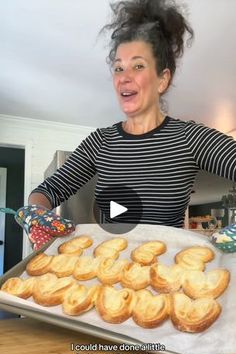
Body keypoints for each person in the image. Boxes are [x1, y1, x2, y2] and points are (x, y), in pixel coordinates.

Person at [29, 0, 236, 229]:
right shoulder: (99, 142)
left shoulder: (190, 138)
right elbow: (47, 191)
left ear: (162, 79)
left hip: (168, 264)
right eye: (118, 68)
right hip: (109, 262)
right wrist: (38, 217)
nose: (123, 77)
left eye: (138, 66)